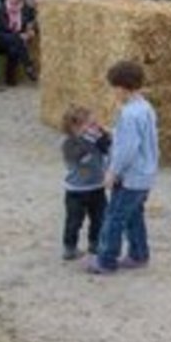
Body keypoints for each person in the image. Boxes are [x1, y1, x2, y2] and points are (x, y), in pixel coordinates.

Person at [88, 60, 160, 273]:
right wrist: (111, 132)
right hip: (145, 175)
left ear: (121, 87)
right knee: (133, 215)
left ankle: (106, 260)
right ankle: (139, 254)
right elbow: (135, 139)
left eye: (114, 88)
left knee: (114, 217)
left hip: (130, 176)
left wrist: (112, 171)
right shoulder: (144, 107)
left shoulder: (128, 114)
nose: (113, 92)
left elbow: (127, 149)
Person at [60, 105, 110, 261]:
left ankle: (95, 244)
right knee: (74, 221)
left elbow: (109, 149)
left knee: (100, 218)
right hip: (76, 190)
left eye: (95, 123)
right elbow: (83, 160)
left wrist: (103, 137)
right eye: (90, 124)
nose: (94, 127)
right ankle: (70, 247)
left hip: (97, 187)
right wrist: (92, 140)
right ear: (75, 127)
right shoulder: (68, 143)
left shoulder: (95, 138)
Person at [0, 0, 39, 85]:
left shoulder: (27, 10)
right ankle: (28, 66)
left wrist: (31, 31)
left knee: (14, 49)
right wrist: (18, 36)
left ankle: (10, 78)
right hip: (2, 39)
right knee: (17, 40)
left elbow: (35, 24)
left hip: (18, 41)